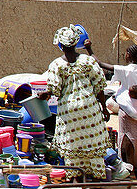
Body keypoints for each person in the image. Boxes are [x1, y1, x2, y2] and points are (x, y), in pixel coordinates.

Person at [39, 25, 110, 179]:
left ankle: (76, 178)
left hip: (69, 111)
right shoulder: (88, 61)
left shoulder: (56, 65)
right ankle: (97, 176)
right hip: (90, 109)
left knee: (72, 144)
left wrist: (44, 94)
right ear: (75, 43)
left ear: (61, 45)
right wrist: (104, 108)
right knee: (92, 142)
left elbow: (54, 90)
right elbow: (99, 85)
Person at [89, 43, 137, 178]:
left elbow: (99, 63)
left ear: (128, 55)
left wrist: (89, 48)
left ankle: (127, 169)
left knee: (125, 139)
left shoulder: (125, 70)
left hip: (126, 109)